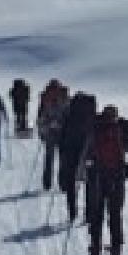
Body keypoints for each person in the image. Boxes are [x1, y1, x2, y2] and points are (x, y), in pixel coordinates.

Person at [83, 105, 128, 255]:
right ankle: (115, 250)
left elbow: (87, 152)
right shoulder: (122, 129)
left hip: (98, 178)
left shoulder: (96, 129)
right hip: (117, 177)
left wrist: (82, 172)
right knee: (115, 214)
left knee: (97, 214)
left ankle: (95, 249)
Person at [55, 91, 99, 219]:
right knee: (90, 182)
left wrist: (61, 150)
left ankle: (72, 212)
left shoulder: (68, 114)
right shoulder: (91, 115)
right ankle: (89, 213)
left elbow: (62, 135)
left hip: (70, 150)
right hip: (89, 151)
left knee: (71, 181)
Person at [35, 80, 70, 190]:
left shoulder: (45, 99)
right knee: (63, 159)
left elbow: (40, 117)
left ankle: (47, 183)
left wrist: (43, 132)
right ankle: (63, 183)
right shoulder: (65, 98)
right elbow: (69, 115)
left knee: (49, 159)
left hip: (49, 132)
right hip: (63, 132)